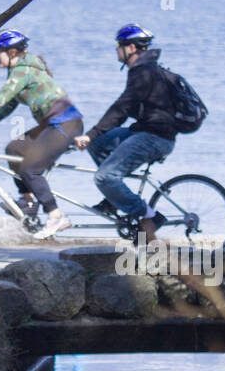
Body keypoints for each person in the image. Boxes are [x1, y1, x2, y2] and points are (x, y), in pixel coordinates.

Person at [0, 30, 83, 240]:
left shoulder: (22, 70)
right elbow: (7, 107)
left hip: (66, 124)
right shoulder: (20, 71)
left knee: (30, 168)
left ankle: (56, 216)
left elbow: (0, 98)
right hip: (51, 124)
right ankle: (29, 202)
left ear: (12, 51)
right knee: (14, 148)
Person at [73, 24, 175, 244]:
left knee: (104, 176)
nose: (116, 51)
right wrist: (94, 137)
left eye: (118, 46)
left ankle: (150, 216)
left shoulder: (144, 71)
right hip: (144, 132)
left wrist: (89, 134)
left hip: (155, 138)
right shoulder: (144, 68)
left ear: (130, 48)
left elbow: (121, 108)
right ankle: (115, 197)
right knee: (99, 143)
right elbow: (127, 107)